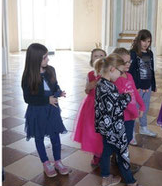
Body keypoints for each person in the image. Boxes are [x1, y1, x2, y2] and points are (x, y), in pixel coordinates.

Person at [94, 53, 147, 186]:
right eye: (120, 71)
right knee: (123, 154)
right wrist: (127, 97)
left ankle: (106, 178)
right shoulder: (108, 87)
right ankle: (131, 184)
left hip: (106, 128)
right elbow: (116, 108)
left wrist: (122, 97)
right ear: (112, 69)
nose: (121, 75)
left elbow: (111, 102)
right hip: (115, 128)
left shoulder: (101, 84)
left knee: (106, 151)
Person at [21, 43, 69, 178]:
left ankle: (58, 161)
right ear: (35, 59)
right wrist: (46, 100)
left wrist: (58, 92)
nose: (48, 59)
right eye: (44, 57)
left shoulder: (50, 70)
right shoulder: (28, 77)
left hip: (52, 110)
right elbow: (28, 98)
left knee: (55, 135)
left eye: (47, 56)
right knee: (39, 137)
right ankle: (46, 162)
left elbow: (55, 85)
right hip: (37, 112)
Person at [72, 48, 106, 166]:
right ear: (92, 59)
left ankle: (107, 153)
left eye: (102, 55)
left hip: (106, 105)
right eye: (96, 56)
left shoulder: (110, 72)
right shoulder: (90, 74)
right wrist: (92, 85)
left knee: (105, 131)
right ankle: (97, 155)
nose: (99, 58)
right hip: (92, 105)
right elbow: (87, 90)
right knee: (94, 131)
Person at [129, 29, 157, 137]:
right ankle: (130, 132)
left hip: (147, 85)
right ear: (138, 40)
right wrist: (136, 86)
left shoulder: (150, 53)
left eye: (149, 41)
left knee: (144, 107)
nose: (146, 44)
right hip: (137, 87)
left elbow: (151, 69)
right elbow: (130, 71)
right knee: (134, 108)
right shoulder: (133, 53)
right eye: (144, 41)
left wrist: (153, 85)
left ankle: (143, 127)